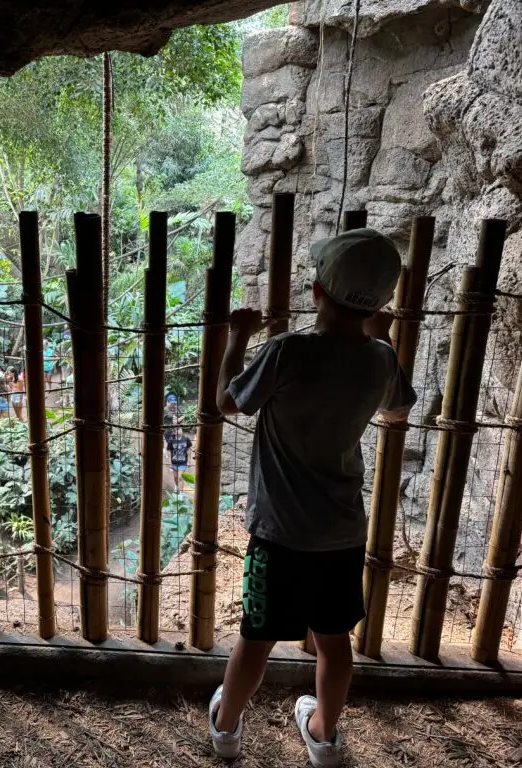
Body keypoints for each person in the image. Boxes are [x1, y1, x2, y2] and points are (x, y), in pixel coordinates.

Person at [208, 228, 417, 766]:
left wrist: (238, 337)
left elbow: (228, 402)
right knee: (333, 640)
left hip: (275, 532)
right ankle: (323, 734)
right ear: (383, 303)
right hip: (340, 533)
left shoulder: (287, 352)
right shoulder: (379, 361)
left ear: (316, 292)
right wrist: (382, 337)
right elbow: (397, 410)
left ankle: (226, 730)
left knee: (255, 637)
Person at [167, 424, 192, 493]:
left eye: (180, 428)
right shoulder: (171, 440)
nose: (180, 430)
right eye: (178, 429)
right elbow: (169, 451)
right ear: (174, 432)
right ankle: (176, 485)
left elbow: (189, 449)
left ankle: (181, 493)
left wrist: (189, 461)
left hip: (183, 462)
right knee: (175, 477)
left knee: (180, 477)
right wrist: (169, 462)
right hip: (174, 462)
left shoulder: (186, 439)